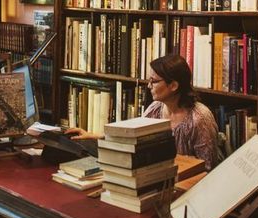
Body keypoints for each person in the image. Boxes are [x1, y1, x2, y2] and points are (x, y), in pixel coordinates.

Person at [66, 54, 219, 170]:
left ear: (173, 85)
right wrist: (90, 136)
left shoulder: (199, 119)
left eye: (154, 81)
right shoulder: (155, 108)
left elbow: (208, 167)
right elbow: (132, 136)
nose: (148, 86)